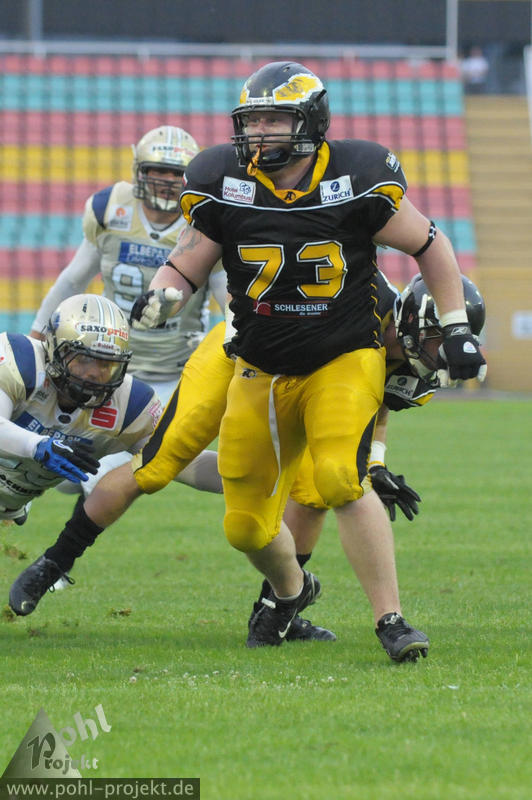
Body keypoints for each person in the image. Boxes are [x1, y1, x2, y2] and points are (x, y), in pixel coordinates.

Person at [10, 62, 487, 661]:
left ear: (309, 122)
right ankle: (286, 592)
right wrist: (165, 293)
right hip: (250, 357)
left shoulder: (356, 179)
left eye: (272, 120)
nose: (258, 132)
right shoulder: (223, 180)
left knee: (334, 480)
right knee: (231, 516)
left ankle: (386, 620)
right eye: (252, 120)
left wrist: (455, 328)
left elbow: (429, 244)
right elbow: (186, 263)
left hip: (339, 358)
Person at [29, 125, 227, 496]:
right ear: (139, 171)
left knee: (119, 470)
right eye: (158, 170)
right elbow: (72, 280)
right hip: (107, 367)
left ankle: (258, 478)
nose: (166, 181)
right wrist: (37, 335)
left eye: (176, 173)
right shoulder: (111, 208)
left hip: (174, 371)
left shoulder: (203, 221)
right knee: (68, 479)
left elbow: (228, 298)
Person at [0, 293, 160, 540]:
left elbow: (180, 458)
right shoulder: (20, 361)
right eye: (84, 359)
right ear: (55, 348)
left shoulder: (130, 403)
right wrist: (39, 446)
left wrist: (229, 468)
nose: (94, 373)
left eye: (105, 364)